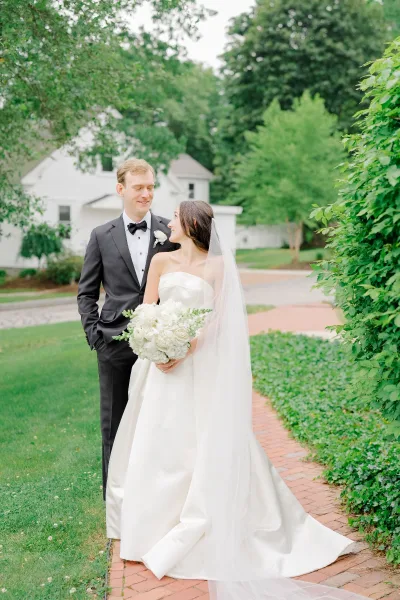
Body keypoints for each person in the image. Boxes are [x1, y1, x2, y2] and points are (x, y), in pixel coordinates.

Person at [106, 200, 365, 600]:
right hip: (159, 369)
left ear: (191, 224)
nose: (168, 222)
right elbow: (146, 312)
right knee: (159, 441)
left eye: (175, 217)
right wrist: (155, 345)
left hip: (199, 363)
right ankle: (150, 530)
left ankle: (211, 519)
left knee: (205, 439)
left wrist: (186, 347)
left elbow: (219, 320)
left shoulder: (219, 267)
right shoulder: (161, 262)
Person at [77, 158, 178, 499]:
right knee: (114, 423)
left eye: (150, 187)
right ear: (121, 189)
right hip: (114, 345)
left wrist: (174, 335)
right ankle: (115, 499)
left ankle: (156, 496)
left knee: (161, 421)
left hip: (162, 344)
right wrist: (96, 337)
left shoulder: (171, 231)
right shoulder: (100, 235)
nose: (146, 194)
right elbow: (87, 293)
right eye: (139, 188)